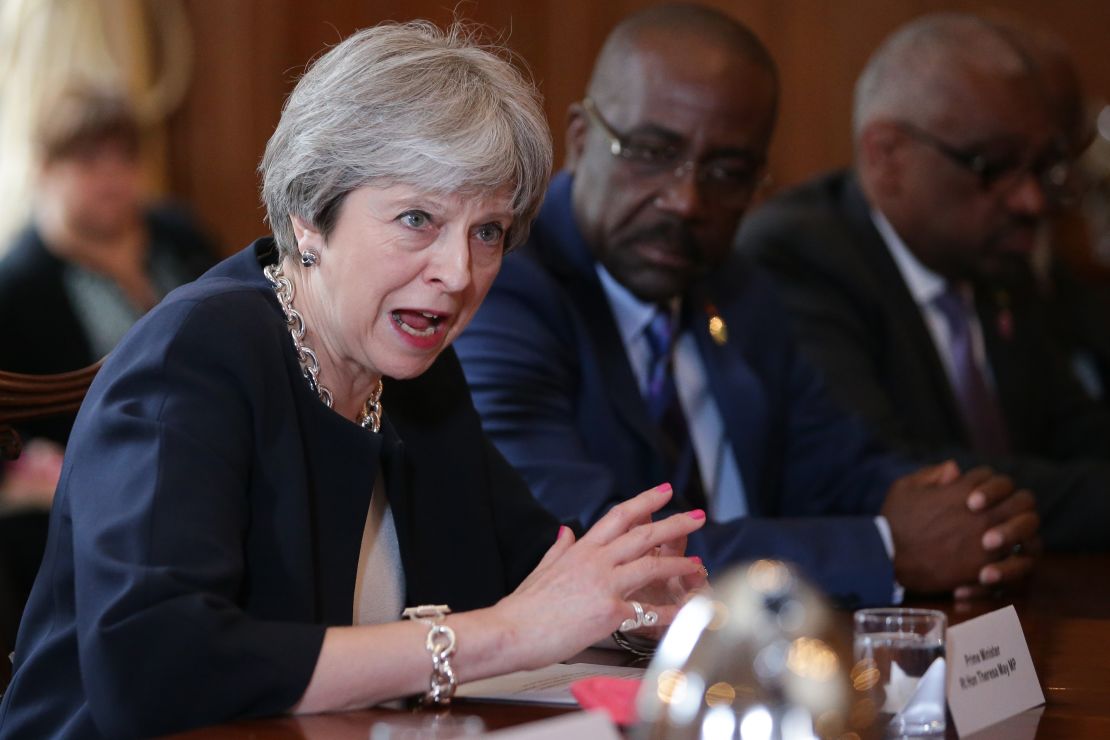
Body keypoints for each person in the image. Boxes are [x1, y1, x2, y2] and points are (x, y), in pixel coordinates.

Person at [0, 22, 708, 739]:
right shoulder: (194, 357)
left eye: (487, 231)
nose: (459, 274)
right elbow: (155, 668)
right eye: (416, 219)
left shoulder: (413, 369)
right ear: (310, 216)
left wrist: (636, 610)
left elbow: (536, 579)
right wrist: (500, 634)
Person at [455, 3, 1038, 611]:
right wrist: (888, 548)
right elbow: (588, 538)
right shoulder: (507, 286)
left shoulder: (736, 287)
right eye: (652, 151)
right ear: (580, 139)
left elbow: (837, 468)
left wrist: (973, 519)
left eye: (728, 171)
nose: (686, 200)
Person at [736, 13, 1110, 551]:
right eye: (992, 165)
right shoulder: (798, 255)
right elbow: (895, 477)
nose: (1030, 200)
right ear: (886, 156)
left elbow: (1070, 425)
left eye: (1040, 167)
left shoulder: (990, 258)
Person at [0, 85, 218, 501]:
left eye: (125, 158)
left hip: (215, 460)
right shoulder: (16, 286)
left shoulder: (182, 237)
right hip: (101, 498)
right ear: (45, 168)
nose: (111, 177)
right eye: (89, 160)